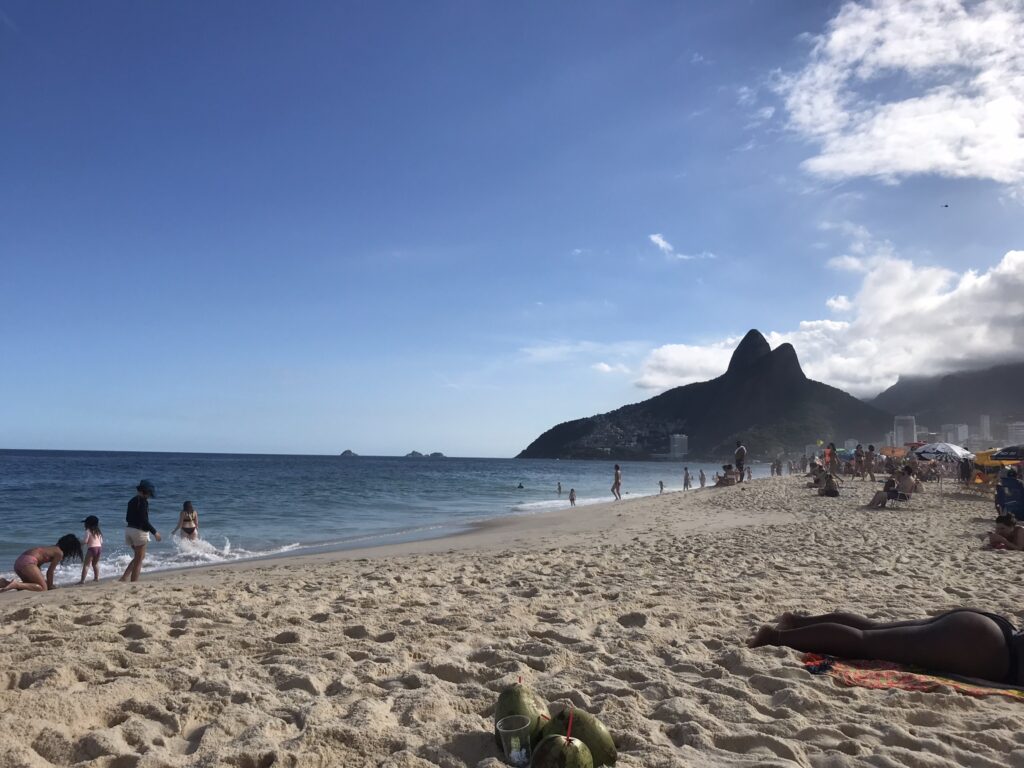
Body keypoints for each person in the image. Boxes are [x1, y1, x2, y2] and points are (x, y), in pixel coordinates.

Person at [747, 608, 1024, 686]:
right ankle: (775, 638)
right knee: (866, 643)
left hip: (994, 630)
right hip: (987, 650)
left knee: (873, 629)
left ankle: (796, 621)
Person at [1, 535, 83, 593]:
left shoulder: (51, 548)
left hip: (19, 562)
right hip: (28, 562)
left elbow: (38, 563)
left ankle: (4, 583)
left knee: (30, 586)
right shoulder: (59, 553)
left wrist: (42, 579)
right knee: (43, 588)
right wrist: (50, 586)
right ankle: (16, 584)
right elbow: (50, 572)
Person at [120, 479, 162, 583]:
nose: (149, 496)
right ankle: (133, 582)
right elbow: (144, 520)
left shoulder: (132, 500)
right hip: (139, 532)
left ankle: (124, 577)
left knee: (139, 556)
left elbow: (127, 518)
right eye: (149, 494)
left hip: (129, 530)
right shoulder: (143, 502)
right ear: (145, 492)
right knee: (139, 559)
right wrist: (155, 532)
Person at [80, 515, 103, 584]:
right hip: (99, 548)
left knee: (86, 565)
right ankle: (96, 578)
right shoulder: (98, 532)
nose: (84, 524)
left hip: (92, 549)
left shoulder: (88, 531)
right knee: (95, 564)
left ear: (88, 524)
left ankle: (82, 580)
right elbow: (101, 541)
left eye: (85, 523)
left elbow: (85, 541)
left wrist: (80, 543)